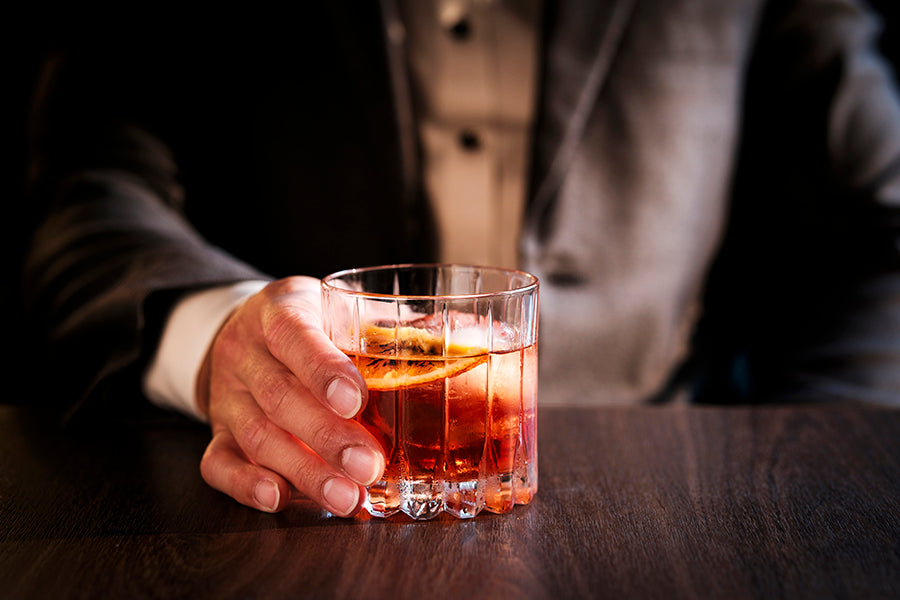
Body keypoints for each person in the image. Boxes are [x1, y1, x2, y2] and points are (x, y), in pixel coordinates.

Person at [21, 0, 900, 517]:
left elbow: (879, 219)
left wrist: (816, 470)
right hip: (284, 500)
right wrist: (219, 338)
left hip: (660, 496)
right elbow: (86, 186)